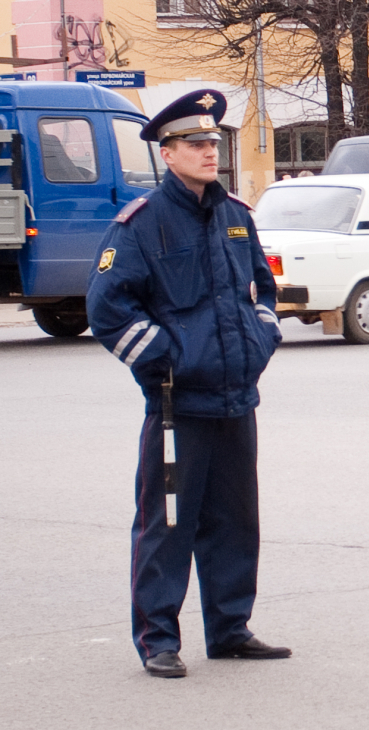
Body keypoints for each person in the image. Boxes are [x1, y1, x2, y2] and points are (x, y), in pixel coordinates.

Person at [87, 91, 289, 680]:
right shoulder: (141, 224)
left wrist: (261, 342)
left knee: (235, 518)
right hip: (178, 406)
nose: (210, 152)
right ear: (167, 153)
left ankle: (229, 629)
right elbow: (107, 307)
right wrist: (165, 361)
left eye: (213, 143)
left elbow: (264, 293)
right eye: (196, 144)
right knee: (168, 523)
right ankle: (158, 639)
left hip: (234, 398)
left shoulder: (235, 216)